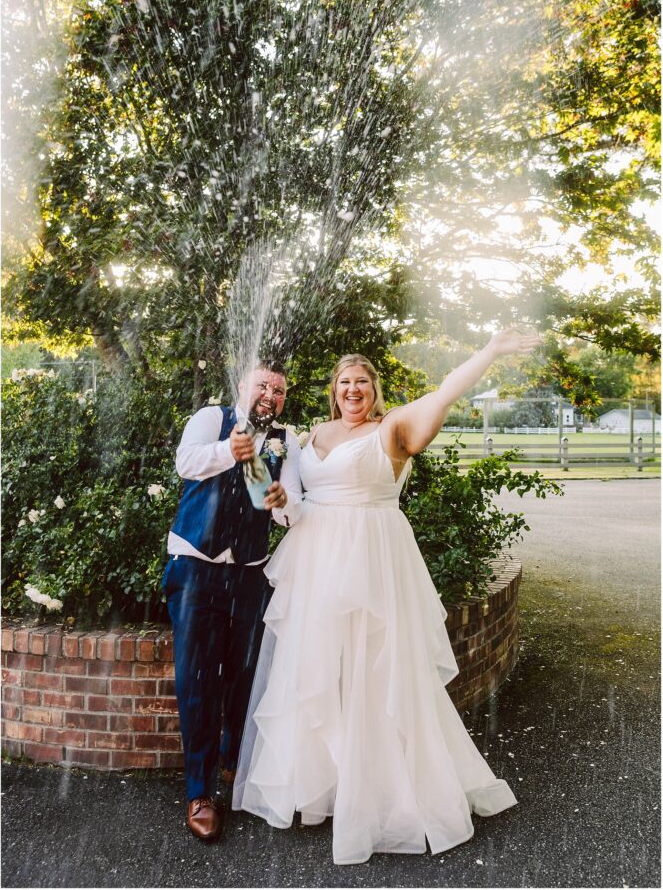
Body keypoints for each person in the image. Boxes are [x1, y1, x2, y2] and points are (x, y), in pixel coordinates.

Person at [233, 330, 540, 864]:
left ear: (375, 390)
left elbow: (444, 393)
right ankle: (321, 789)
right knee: (318, 671)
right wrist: (275, 495)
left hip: (374, 559)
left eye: (363, 383)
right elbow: (288, 504)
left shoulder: (393, 428)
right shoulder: (308, 438)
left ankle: (383, 794)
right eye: (345, 382)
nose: (354, 390)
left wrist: (489, 352)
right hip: (316, 563)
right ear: (334, 390)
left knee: (378, 671)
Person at [163, 362, 303, 841]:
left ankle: (232, 763)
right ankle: (199, 791)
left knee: (244, 677)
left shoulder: (288, 441)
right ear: (244, 387)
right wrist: (230, 450)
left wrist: (284, 501)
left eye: (279, 390)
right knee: (197, 680)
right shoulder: (211, 418)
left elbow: (292, 511)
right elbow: (186, 463)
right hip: (195, 567)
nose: (270, 394)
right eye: (263, 385)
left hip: (249, 575)